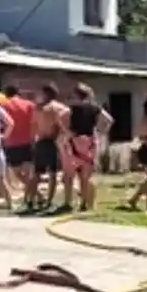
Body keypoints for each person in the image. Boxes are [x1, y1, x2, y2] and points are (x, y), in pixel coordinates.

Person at [61, 83, 113, 212]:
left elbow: (61, 117)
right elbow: (109, 120)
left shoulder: (72, 108)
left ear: (76, 95)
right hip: (89, 142)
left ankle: (68, 202)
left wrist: (67, 131)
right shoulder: (94, 108)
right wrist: (101, 132)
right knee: (85, 176)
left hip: (74, 141)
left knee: (69, 175)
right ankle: (84, 203)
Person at [31, 83, 67, 209]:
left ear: (46, 93)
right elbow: (63, 125)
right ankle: (49, 201)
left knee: (36, 173)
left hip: (42, 141)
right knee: (53, 173)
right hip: (53, 141)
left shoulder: (39, 108)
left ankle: (31, 200)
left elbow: (35, 125)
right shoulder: (60, 108)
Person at [0, 85, 37, 207]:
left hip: (12, 142)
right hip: (28, 141)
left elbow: (3, 124)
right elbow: (34, 122)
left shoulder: (4, 106)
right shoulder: (30, 105)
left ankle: (33, 196)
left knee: (17, 173)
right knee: (29, 173)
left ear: (6, 94)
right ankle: (32, 197)